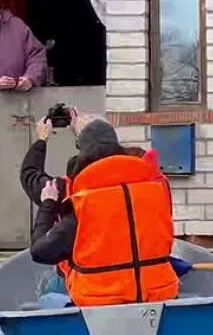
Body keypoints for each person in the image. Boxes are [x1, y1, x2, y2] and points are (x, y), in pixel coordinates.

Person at [30, 117, 179, 307]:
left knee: (48, 295)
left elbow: (41, 252)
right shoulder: (156, 194)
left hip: (99, 303)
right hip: (159, 296)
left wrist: (48, 204)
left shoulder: (83, 205)